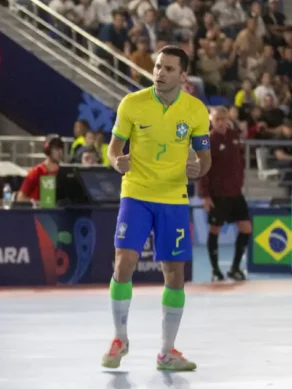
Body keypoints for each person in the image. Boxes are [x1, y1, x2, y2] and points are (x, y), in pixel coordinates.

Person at [103, 45, 211, 371]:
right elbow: (112, 151)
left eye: (168, 68)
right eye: (158, 67)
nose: (160, 73)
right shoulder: (132, 104)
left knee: (174, 274)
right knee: (124, 262)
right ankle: (119, 338)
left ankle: (167, 353)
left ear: (182, 75)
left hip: (174, 198)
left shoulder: (195, 111)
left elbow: (205, 159)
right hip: (136, 193)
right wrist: (116, 162)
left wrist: (199, 169)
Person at [198, 107, 251, 282]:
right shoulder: (208, 140)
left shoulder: (234, 136)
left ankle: (235, 268)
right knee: (215, 230)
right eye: (217, 119)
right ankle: (215, 271)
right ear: (211, 121)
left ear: (227, 118)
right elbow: (202, 170)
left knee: (246, 228)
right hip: (217, 195)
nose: (221, 122)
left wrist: (240, 180)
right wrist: (205, 196)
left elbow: (240, 161)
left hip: (235, 193)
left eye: (223, 118)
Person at [17, 134, 65, 203]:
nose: (60, 152)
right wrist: (39, 203)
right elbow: (20, 198)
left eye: (61, 148)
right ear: (48, 150)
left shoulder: (63, 172)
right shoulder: (36, 172)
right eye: (56, 148)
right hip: (39, 212)